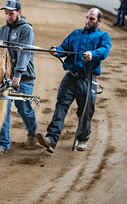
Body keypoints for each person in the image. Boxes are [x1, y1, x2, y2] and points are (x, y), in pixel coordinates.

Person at [36, 8, 112, 153]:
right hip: (70, 77)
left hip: (88, 79)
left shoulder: (103, 36)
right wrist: (56, 50)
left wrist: (92, 54)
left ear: (99, 21)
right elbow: (63, 48)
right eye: (87, 18)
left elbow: (104, 51)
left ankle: (82, 138)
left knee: (86, 111)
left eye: (92, 19)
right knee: (60, 106)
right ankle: (51, 139)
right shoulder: (75, 34)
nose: (88, 21)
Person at [0, 0, 38, 156]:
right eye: (6, 14)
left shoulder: (26, 30)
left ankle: (32, 130)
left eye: (11, 14)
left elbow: (24, 52)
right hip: (6, 78)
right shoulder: (2, 30)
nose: (8, 17)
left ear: (19, 13)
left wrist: (18, 74)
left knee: (24, 109)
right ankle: (3, 143)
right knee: (3, 110)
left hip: (24, 78)